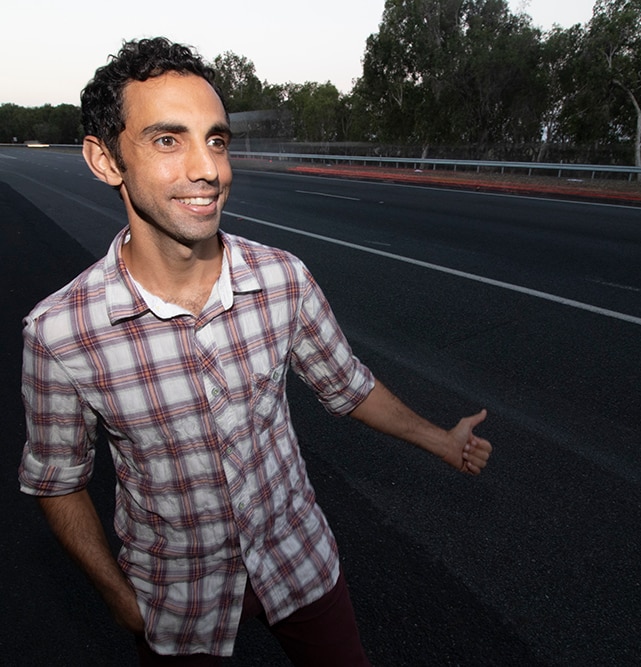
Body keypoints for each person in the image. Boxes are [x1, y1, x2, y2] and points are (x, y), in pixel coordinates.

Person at [18, 38, 492, 666]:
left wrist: (441, 440)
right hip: (175, 593)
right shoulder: (59, 333)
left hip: (298, 560)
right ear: (105, 161)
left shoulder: (284, 279)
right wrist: (118, 599)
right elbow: (58, 481)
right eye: (168, 140)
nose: (208, 169)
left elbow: (346, 386)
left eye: (216, 139)